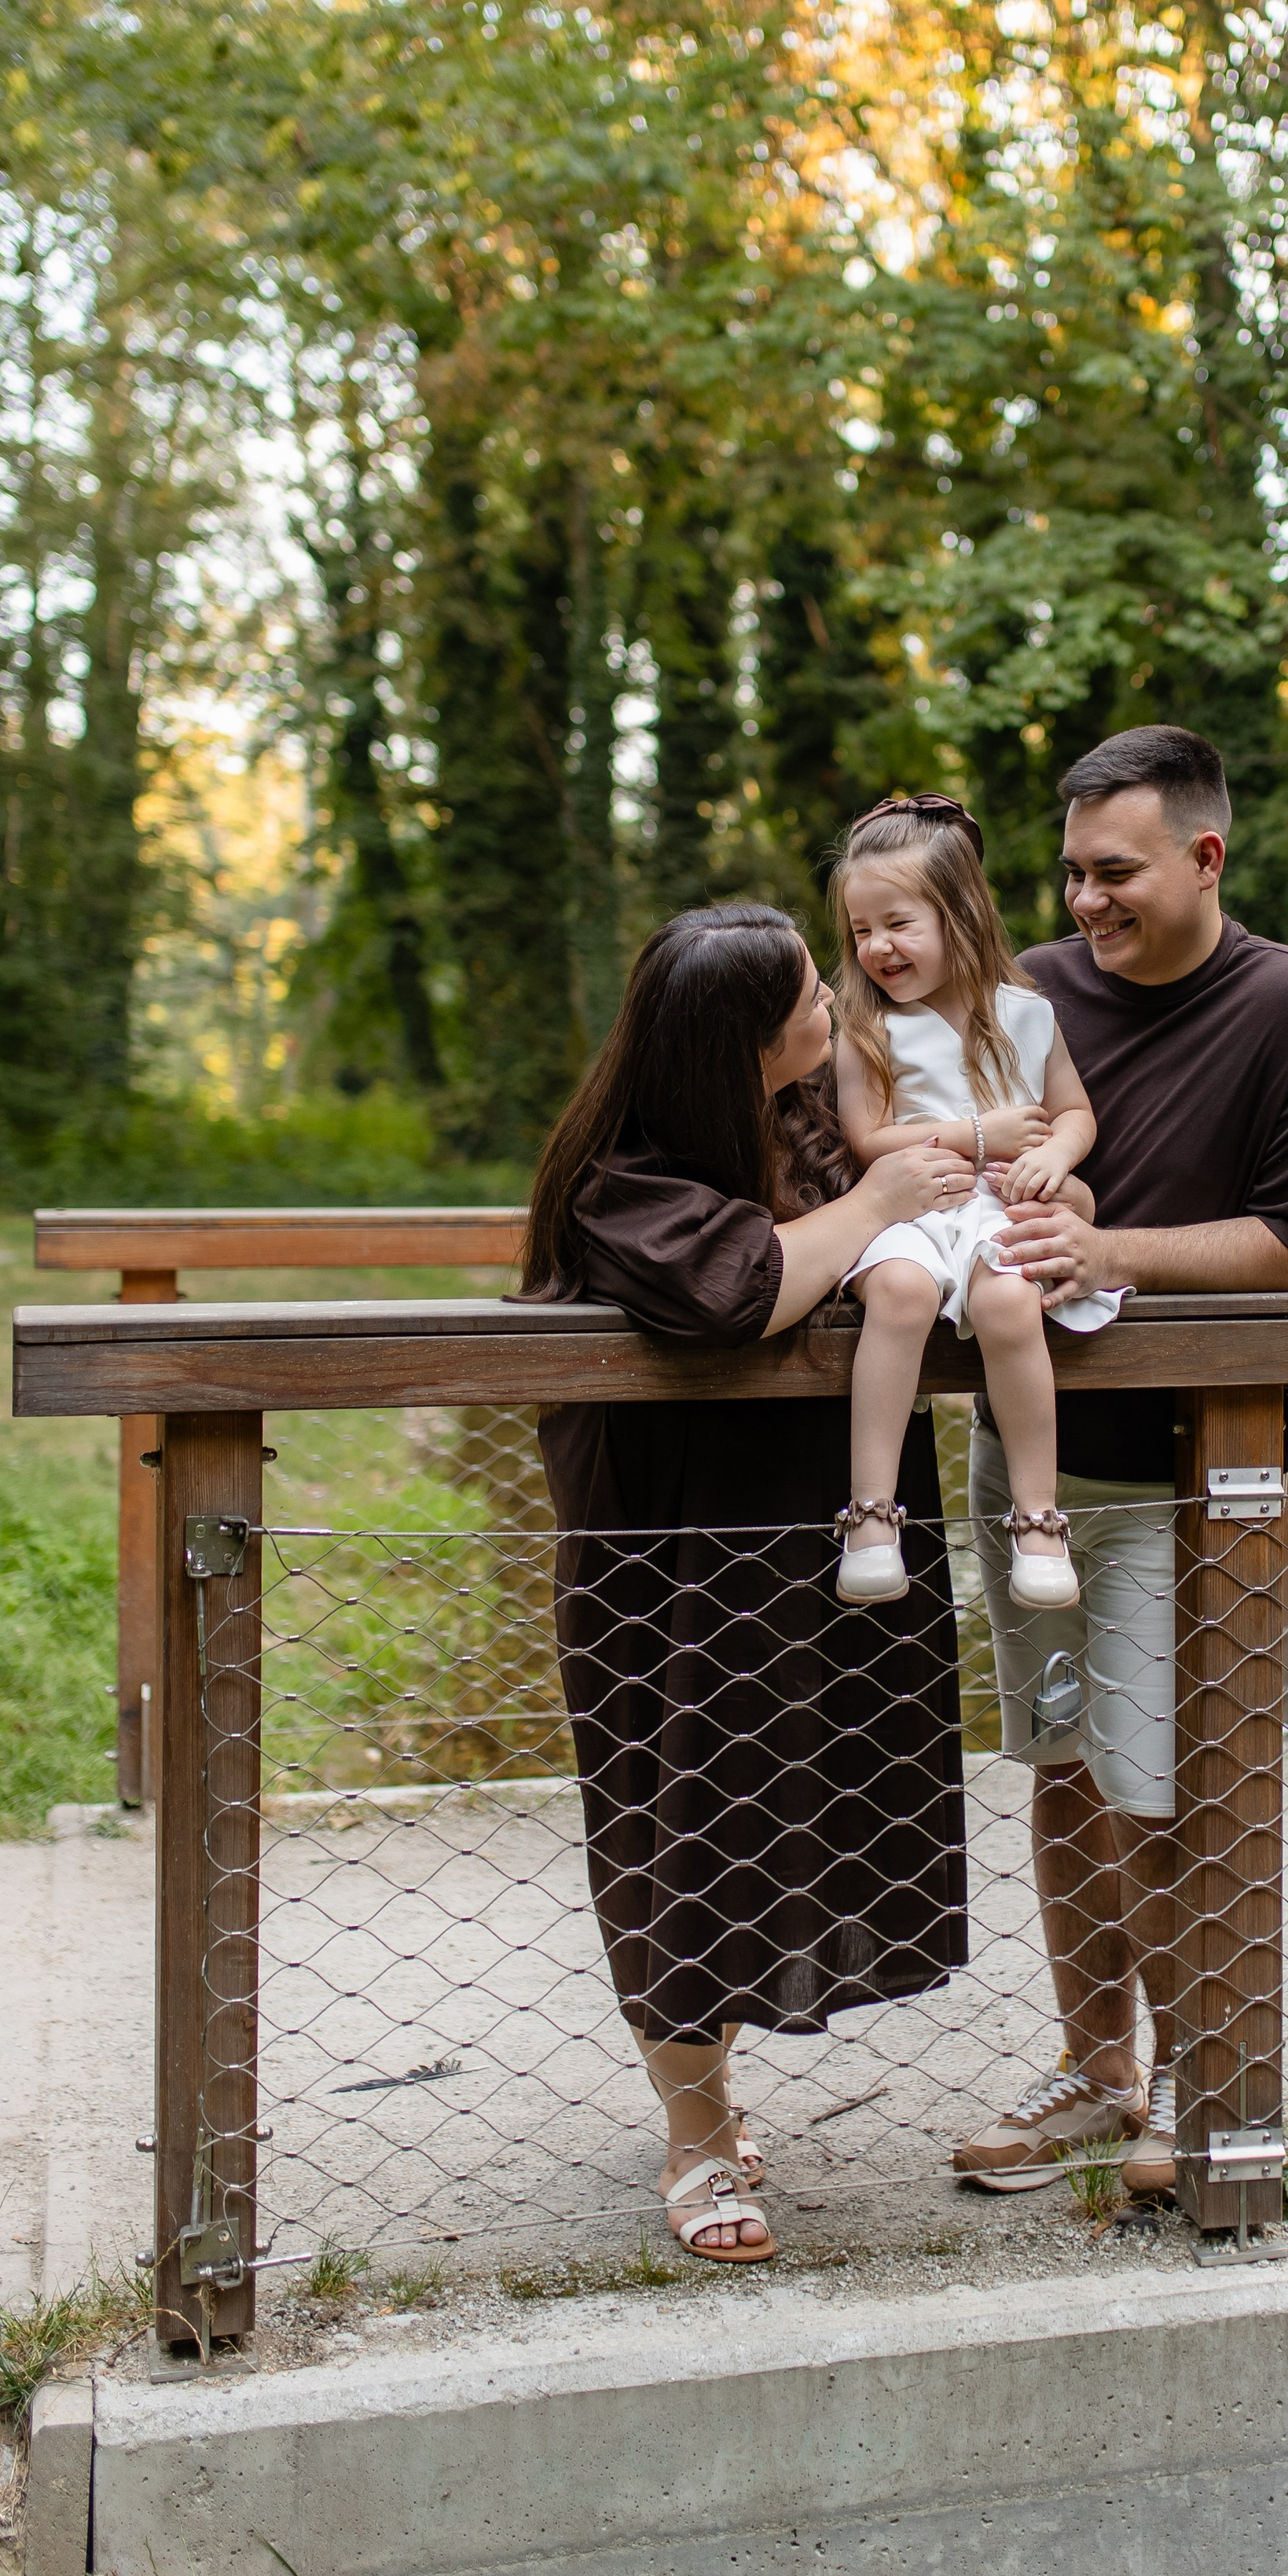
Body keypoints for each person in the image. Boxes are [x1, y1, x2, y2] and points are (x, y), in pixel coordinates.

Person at [950, 727, 1288, 2196]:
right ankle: (1097, 2073)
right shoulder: (1027, 993)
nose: (1086, 901)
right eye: (1073, 872)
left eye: (1116, 872)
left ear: (1206, 856)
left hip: (1205, 1476)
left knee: (1169, 1788)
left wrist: (1108, 1250)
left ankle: (1208, 2090)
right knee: (1066, 1769)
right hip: (1029, 1470)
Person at [520, 902, 978, 2264]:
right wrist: (879, 1206)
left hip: (812, 1533)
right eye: (807, 999)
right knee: (681, 1812)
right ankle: (698, 2134)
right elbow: (740, 1291)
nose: (834, 1002)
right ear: (737, 1042)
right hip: (671, 1558)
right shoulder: (621, 1176)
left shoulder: (813, 1119)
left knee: (794, 1799)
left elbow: (934, 1205)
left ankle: (715, 2102)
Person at [827, 793, 1125, 1613]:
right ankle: (871, 1516)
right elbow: (867, 1138)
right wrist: (977, 1134)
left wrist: (1056, 1155)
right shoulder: (867, 1027)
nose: (878, 946)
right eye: (861, 930)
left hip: (995, 1211)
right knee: (898, 1292)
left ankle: (1037, 1518)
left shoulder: (1026, 1014)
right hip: (912, 1210)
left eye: (898, 923)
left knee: (1008, 1299)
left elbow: (1074, 1112)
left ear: (959, 914)